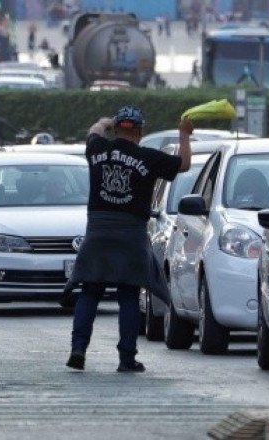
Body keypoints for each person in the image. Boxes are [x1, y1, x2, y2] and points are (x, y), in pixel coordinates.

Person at [64, 106, 192, 373]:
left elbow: (93, 130)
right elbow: (184, 164)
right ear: (140, 131)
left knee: (90, 290)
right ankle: (126, 359)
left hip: (98, 231)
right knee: (129, 294)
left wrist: (104, 122)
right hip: (131, 233)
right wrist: (184, 134)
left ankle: (78, 349)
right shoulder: (147, 157)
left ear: (117, 129)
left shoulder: (97, 149)